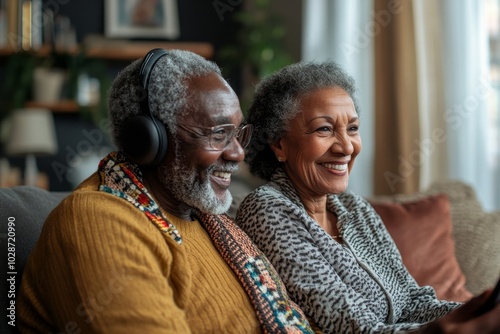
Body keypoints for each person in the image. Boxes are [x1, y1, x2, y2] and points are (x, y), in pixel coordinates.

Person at [16, 49, 318, 333]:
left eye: (238, 133)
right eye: (219, 134)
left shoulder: (210, 220)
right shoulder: (98, 221)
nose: (238, 153)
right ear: (148, 141)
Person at [235, 60, 500, 333]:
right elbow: (354, 329)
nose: (346, 146)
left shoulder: (355, 209)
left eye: (352, 128)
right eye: (324, 129)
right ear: (279, 143)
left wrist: (475, 307)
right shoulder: (268, 210)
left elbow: (411, 302)